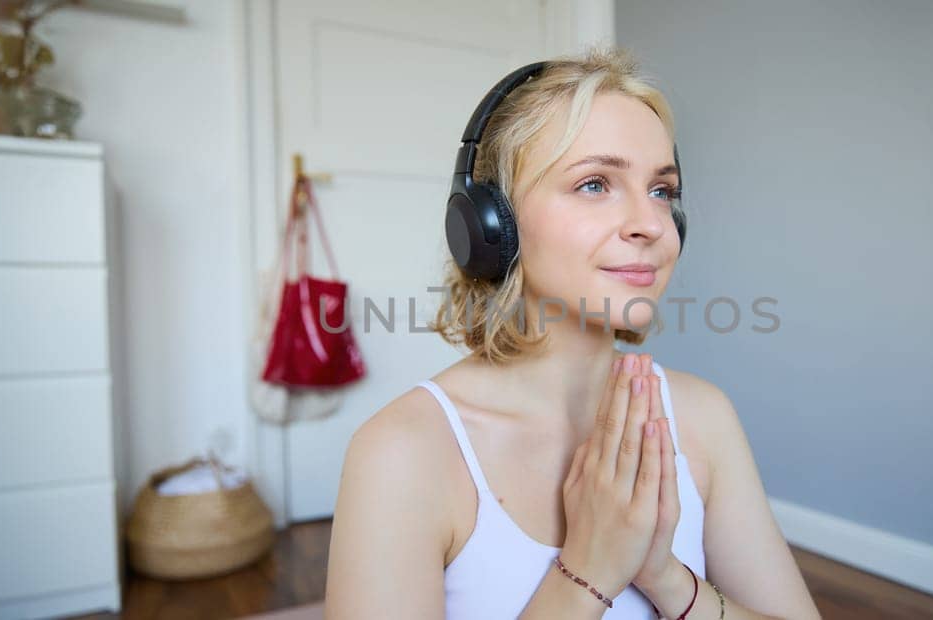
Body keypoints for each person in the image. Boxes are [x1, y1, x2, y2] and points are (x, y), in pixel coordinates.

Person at [325, 45, 821, 619]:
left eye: (663, 191)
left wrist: (665, 577)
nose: (650, 224)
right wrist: (590, 566)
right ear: (491, 224)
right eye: (594, 184)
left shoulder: (704, 418)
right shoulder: (402, 452)